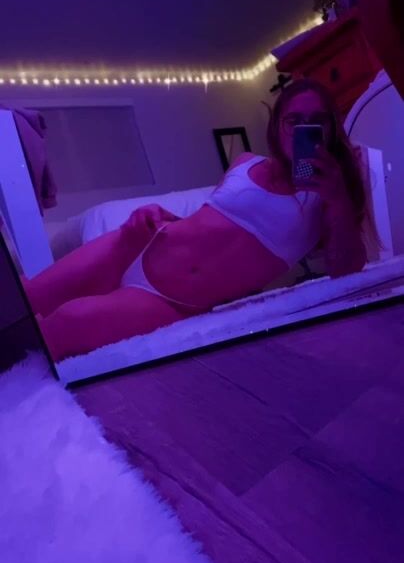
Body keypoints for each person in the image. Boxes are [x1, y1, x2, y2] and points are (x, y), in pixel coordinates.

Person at [24, 79, 369, 361]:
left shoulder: (329, 194)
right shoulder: (245, 162)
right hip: (136, 243)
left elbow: (348, 270)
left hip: (170, 300)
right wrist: (155, 216)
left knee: (63, 325)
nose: (303, 129)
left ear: (330, 128)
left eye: (317, 120)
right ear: (277, 126)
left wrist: (338, 196)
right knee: (29, 299)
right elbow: (210, 220)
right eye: (293, 121)